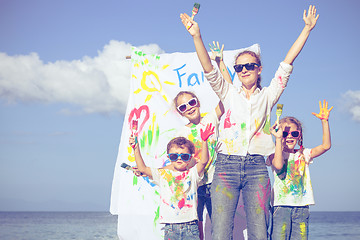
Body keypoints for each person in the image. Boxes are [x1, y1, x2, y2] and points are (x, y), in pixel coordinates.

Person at [180, 5, 319, 240]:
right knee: (221, 232)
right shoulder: (229, 93)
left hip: (256, 169)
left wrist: (306, 29)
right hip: (226, 167)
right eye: (239, 67)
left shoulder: (269, 95)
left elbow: (287, 64)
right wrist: (197, 36)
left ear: (259, 69)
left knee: (259, 233)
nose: (244, 69)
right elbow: (208, 69)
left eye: (249, 65)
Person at [173, 42, 232, 240]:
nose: (189, 107)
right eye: (183, 107)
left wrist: (220, 63)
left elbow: (228, 93)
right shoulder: (182, 133)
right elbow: (178, 161)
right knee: (194, 227)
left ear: (197, 102)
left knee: (220, 226)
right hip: (194, 185)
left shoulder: (211, 118)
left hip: (217, 182)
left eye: (191, 102)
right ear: (180, 112)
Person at [129, 124, 214, 240]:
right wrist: (135, 147)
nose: (179, 158)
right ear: (168, 157)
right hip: (170, 228)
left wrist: (204, 141)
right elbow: (142, 168)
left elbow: (204, 161)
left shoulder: (193, 174)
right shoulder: (163, 175)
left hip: (191, 227)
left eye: (184, 156)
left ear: (190, 158)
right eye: (174, 156)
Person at [266, 100, 332, 240]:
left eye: (294, 134)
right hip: (281, 207)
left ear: (299, 135)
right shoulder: (274, 155)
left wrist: (324, 122)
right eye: (285, 133)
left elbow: (326, 146)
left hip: (302, 208)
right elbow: (278, 166)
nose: (289, 136)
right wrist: (278, 139)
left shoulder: (304, 154)